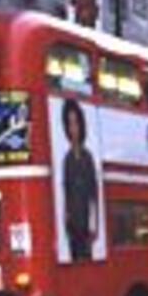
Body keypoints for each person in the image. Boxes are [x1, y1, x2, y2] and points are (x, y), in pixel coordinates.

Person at [61, 99, 99, 262]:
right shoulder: (67, 159)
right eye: (69, 124)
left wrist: (93, 225)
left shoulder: (88, 157)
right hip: (72, 228)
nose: (73, 129)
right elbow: (66, 193)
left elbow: (93, 193)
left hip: (86, 226)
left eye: (76, 123)